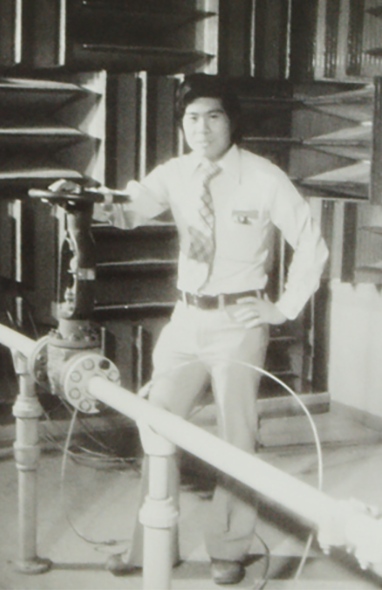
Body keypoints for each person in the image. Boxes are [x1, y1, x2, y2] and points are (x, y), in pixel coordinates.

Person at [76, 74, 328, 585]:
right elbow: (129, 210)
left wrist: (283, 309)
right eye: (192, 118)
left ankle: (230, 548)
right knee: (157, 424)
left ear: (232, 121)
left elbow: (312, 244)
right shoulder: (175, 173)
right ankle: (153, 545)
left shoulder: (263, 177)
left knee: (237, 438)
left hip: (239, 322)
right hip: (185, 320)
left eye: (213, 116)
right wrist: (82, 200)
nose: (202, 127)